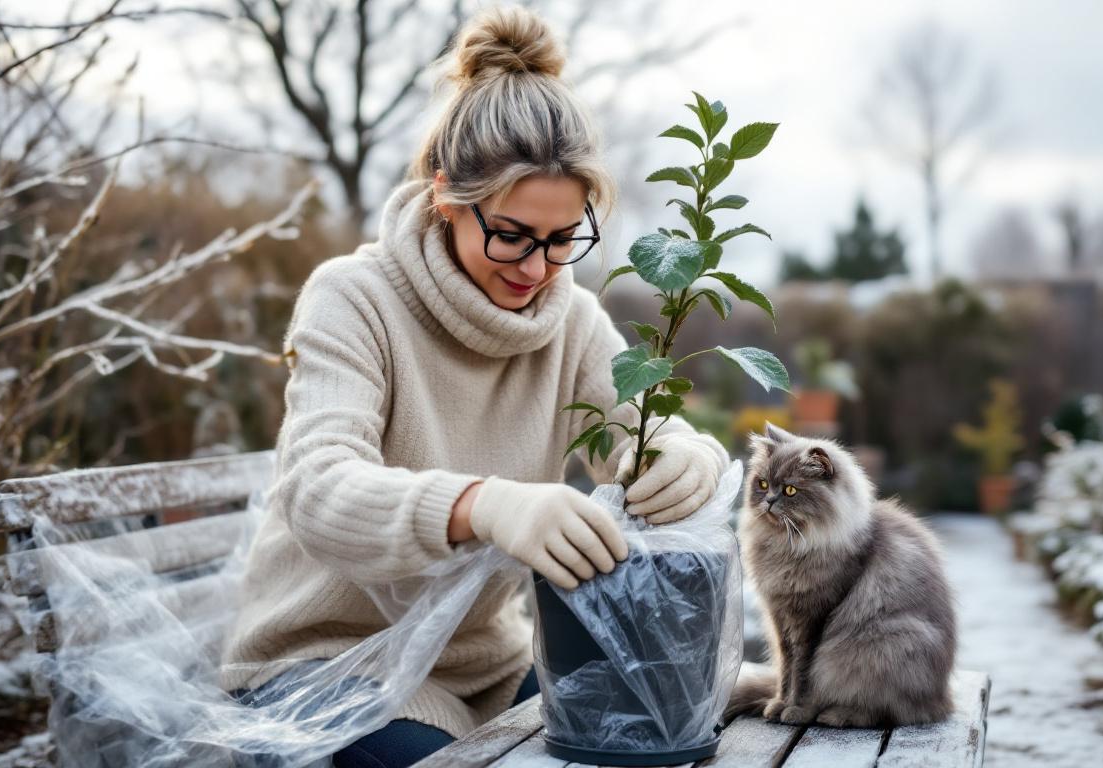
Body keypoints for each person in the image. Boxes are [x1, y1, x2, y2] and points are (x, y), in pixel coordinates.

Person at [219, 5, 730, 767]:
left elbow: (639, 435)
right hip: (327, 666)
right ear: (444, 198)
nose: (535, 269)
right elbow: (318, 491)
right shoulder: (355, 299)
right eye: (512, 236)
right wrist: (483, 504)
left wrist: (689, 459)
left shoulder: (574, 321)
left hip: (487, 667)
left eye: (563, 240)